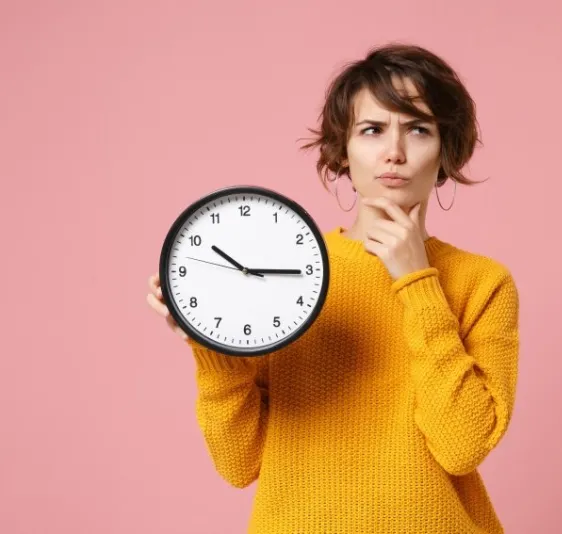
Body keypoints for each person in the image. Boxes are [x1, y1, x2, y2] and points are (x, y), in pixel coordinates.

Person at [146, 43, 520, 534]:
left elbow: (462, 445)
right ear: (343, 148)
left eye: (419, 129)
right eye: (372, 130)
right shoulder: (286, 268)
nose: (394, 152)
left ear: (446, 149)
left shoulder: (482, 282)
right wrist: (211, 346)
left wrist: (417, 281)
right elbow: (239, 464)